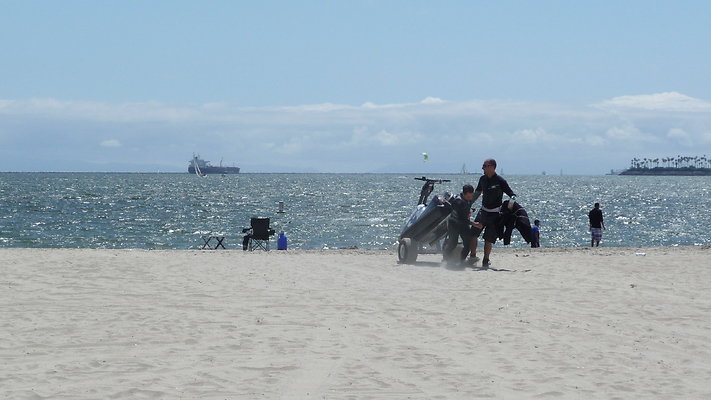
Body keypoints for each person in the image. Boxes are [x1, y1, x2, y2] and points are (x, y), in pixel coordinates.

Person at [469, 158, 516, 267]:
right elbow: (477, 193)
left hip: (495, 214)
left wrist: (511, 203)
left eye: (484, 166)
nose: (482, 168)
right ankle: (472, 256)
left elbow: (511, 194)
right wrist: (468, 204)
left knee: (488, 239)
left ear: (491, 167)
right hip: (483, 211)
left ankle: (486, 260)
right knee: (472, 235)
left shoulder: (500, 181)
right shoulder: (482, 179)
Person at [443, 184, 476, 264]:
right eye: (468, 197)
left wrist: (470, 210)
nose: (470, 198)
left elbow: (466, 211)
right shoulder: (457, 201)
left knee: (468, 243)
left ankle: (461, 261)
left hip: (463, 224)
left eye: (471, 196)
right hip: (454, 223)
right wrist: (473, 223)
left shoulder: (469, 199)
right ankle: (446, 260)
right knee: (453, 243)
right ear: (463, 194)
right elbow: (462, 217)